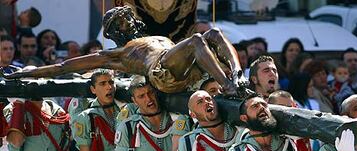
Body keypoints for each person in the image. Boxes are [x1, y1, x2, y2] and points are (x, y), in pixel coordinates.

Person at [2, 6, 247, 97]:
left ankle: (238, 75)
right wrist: (26, 73)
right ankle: (228, 86)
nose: (127, 23)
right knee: (195, 40)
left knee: (212, 34)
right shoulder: (117, 54)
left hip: (183, 68)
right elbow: (64, 66)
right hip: (162, 74)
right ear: (115, 33)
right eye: (119, 24)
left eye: (127, 18)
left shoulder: (157, 36)